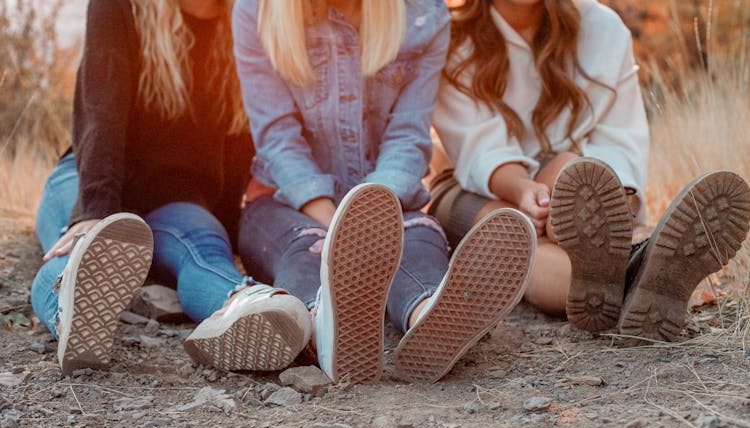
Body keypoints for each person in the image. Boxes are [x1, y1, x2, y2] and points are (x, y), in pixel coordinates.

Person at [233, 0, 536, 384]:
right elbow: (277, 138)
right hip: (285, 203)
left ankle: (429, 315)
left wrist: (376, 213)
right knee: (305, 249)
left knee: (418, 241)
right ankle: (323, 325)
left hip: (387, 196)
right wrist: (345, 226)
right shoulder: (255, 11)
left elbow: (409, 135)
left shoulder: (423, 14)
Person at [430, 0, 750, 340]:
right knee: (513, 234)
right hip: (471, 187)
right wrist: (524, 191)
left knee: (576, 177)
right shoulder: (453, 37)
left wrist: (559, 200)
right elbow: (479, 149)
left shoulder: (603, 29)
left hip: (572, 174)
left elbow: (619, 143)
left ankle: (617, 273)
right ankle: (640, 274)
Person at [31, 0, 310, 376]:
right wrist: (95, 210)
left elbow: (239, 140)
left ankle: (246, 305)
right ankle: (70, 312)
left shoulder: (247, 19)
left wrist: (228, 230)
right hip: (89, 176)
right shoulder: (122, 7)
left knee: (207, 253)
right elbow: (102, 108)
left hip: (177, 200)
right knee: (75, 246)